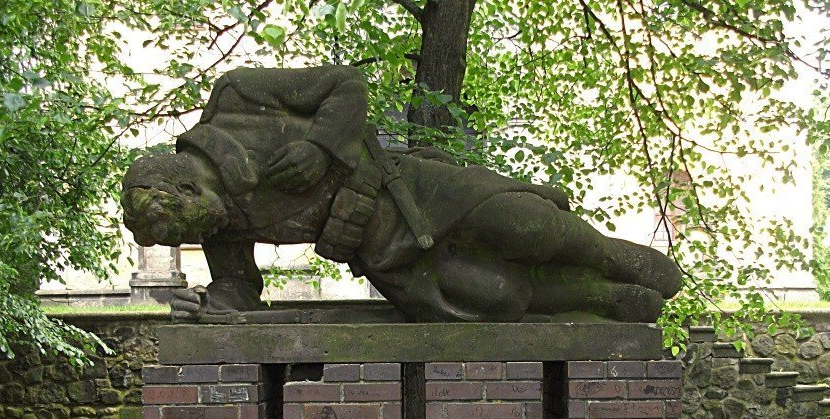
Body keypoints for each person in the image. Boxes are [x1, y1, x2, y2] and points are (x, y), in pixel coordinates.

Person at [121, 65, 682, 322]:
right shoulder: (220, 224)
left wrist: (320, 146)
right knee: (497, 298)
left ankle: (610, 256)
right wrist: (205, 305)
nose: (204, 237)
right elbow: (241, 290)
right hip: (381, 251)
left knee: (522, 224)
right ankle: (598, 299)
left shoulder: (239, 98)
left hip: (404, 184)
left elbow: (347, 85)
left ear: (187, 183)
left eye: (192, 225)